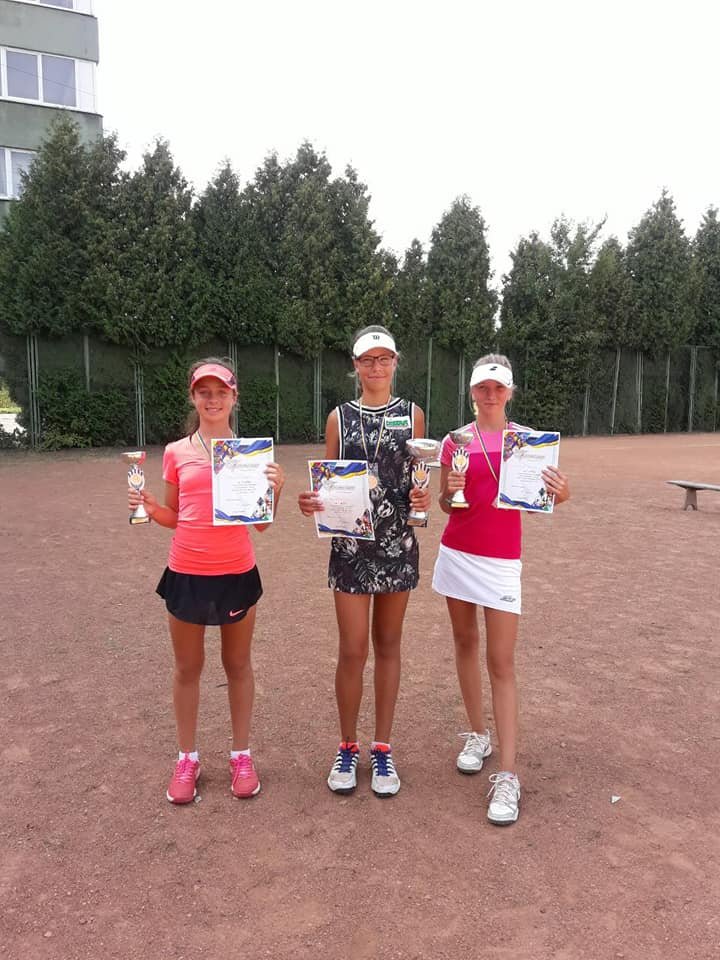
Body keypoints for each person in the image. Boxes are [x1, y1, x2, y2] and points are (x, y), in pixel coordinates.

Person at [128, 358, 285, 804]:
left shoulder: (252, 454)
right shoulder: (176, 452)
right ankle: (187, 758)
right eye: (204, 391)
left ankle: (241, 755)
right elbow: (175, 516)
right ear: (193, 396)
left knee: (238, 665)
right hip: (187, 572)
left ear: (235, 397)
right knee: (187, 668)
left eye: (221, 392)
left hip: (236, 571)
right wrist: (149, 507)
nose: (212, 399)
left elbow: (262, 525)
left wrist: (273, 490)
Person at [432, 354, 570, 825]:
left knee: (501, 661)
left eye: (498, 387)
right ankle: (478, 734)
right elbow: (447, 505)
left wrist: (560, 492)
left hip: (502, 562)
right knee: (464, 644)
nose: (490, 395)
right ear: (472, 390)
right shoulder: (454, 441)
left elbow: (543, 500)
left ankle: (508, 775)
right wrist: (448, 490)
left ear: (510, 391)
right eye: (482, 387)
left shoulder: (528, 443)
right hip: (457, 554)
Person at [298, 326, 430, 798]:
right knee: (353, 650)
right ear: (355, 365)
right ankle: (347, 746)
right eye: (367, 360)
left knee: (388, 646)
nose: (376, 367)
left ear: (395, 362)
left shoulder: (413, 414)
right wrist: (312, 501)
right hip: (351, 549)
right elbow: (329, 477)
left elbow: (418, 477)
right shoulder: (339, 417)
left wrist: (421, 495)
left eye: (384, 358)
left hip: (397, 546)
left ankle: (383, 748)